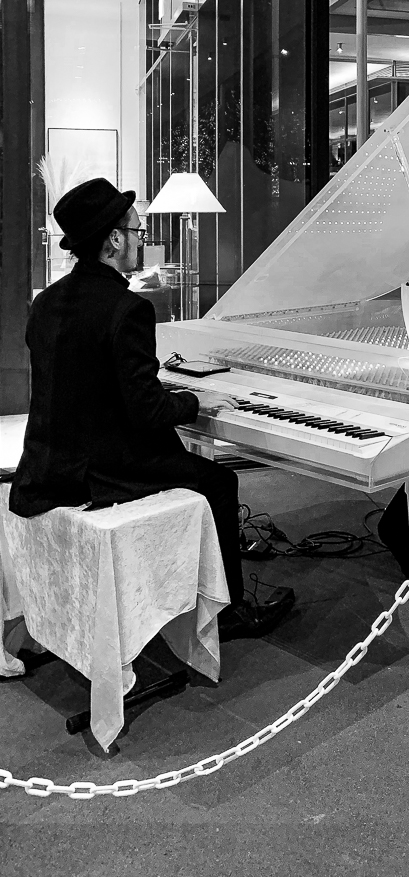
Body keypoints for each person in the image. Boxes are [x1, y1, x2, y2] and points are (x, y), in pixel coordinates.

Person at [9, 178, 294, 641]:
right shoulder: (128, 308)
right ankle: (231, 610)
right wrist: (196, 399)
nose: (143, 240)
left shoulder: (46, 302)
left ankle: (191, 580)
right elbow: (145, 411)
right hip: (100, 471)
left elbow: (80, 385)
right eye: (137, 231)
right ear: (114, 240)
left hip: (46, 465)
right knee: (220, 481)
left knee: (187, 461)